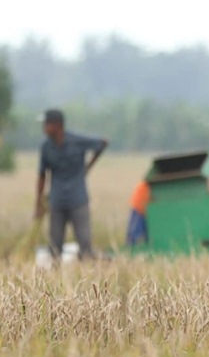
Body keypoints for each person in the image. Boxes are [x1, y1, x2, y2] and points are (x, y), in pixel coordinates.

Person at [34, 109, 109, 261]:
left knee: (85, 244)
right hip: (57, 202)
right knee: (55, 248)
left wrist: (88, 166)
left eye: (46, 124)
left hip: (78, 200)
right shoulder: (46, 147)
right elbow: (42, 175)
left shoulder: (77, 140)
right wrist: (39, 203)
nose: (44, 127)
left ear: (57, 125)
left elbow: (103, 143)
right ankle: (54, 279)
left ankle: (89, 277)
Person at [127, 180, 151, 246]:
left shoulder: (144, 185)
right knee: (135, 234)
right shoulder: (145, 186)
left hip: (141, 208)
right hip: (139, 209)